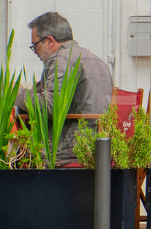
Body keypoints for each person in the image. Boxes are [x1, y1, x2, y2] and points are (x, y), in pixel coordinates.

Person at [15, 12, 113, 167]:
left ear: (49, 41)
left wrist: (15, 94)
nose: (36, 53)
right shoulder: (97, 59)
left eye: (35, 46)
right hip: (98, 150)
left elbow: (49, 105)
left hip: (68, 153)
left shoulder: (61, 59)